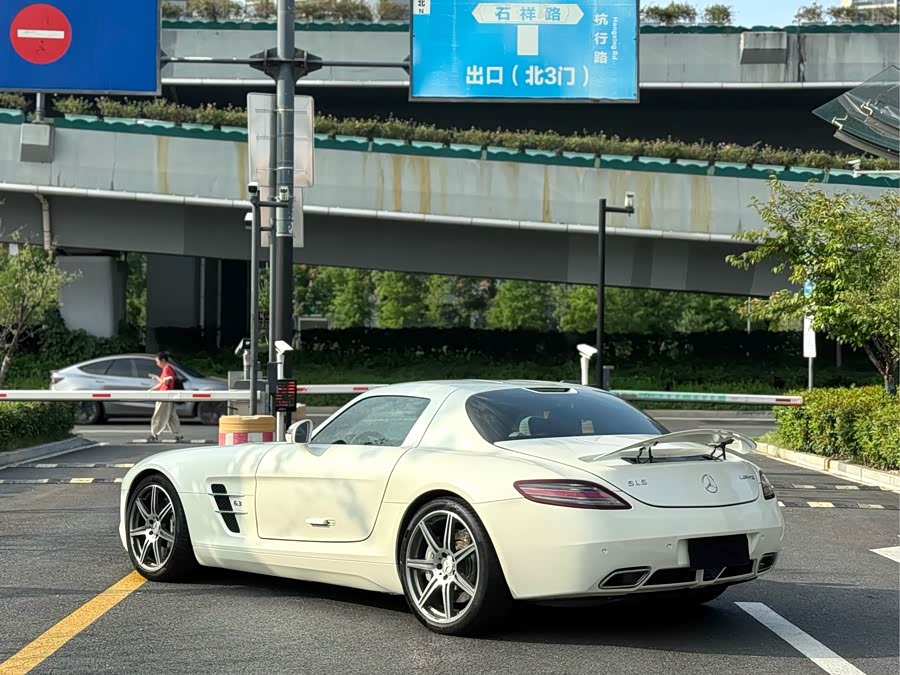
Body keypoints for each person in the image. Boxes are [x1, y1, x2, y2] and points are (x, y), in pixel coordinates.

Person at [148, 351, 184, 443]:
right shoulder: (170, 368)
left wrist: (156, 377)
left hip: (164, 396)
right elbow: (163, 383)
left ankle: (154, 434)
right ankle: (177, 434)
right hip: (168, 396)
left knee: (159, 415)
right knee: (172, 416)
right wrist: (152, 390)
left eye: (157, 361)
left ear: (163, 360)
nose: (157, 364)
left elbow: (165, 382)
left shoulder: (166, 369)